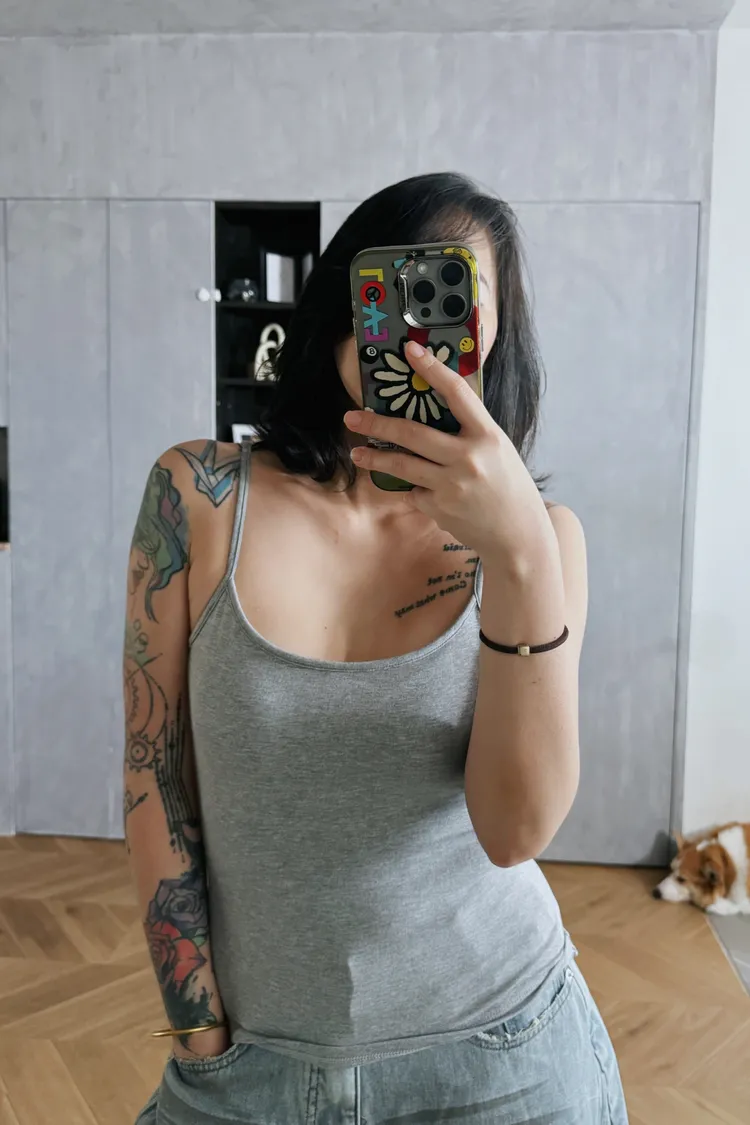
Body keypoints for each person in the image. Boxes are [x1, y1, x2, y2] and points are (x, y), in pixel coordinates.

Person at [126, 172, 628, 1124]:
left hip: (504, 1061)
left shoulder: (542, 543)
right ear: (341, 304)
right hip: (250, 1065)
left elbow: (514, 830)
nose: (415, 330)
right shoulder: (196, 495)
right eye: (391, 287)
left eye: (452, 302)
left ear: (493, 341)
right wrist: (197, 1031)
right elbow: (154, 772)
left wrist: (518, 551)